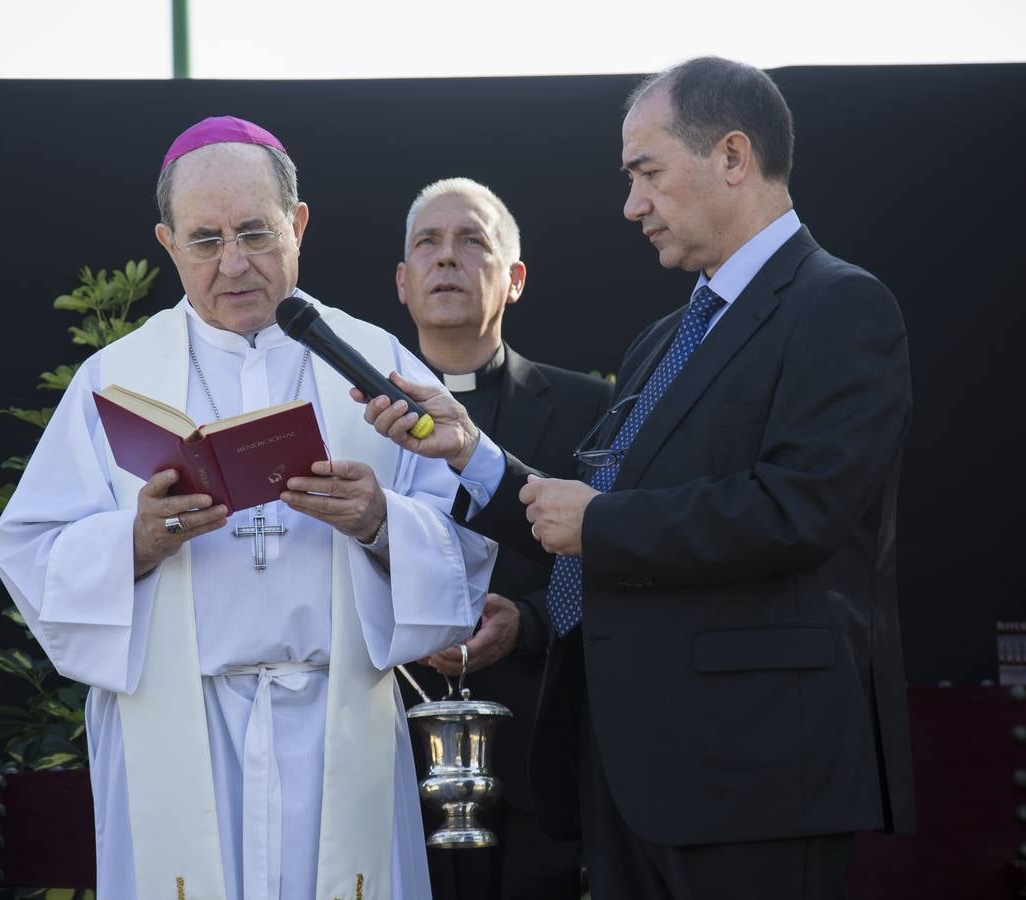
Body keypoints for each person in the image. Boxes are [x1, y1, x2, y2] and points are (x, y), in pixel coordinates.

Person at [360, 57, 915, 899]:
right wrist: (469, 448)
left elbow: (799, 509)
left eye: (647, 173)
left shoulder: (839, 305)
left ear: (732, 157)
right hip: (629, 778)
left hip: (754, 777)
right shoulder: (663, 340)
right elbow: (575, 513)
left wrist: (601, 524)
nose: (632, 205)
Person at [0, 115, 496, 900]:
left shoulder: (376, 363)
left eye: (255, 232)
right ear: (168, 243)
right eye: (206, 240)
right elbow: (29, 550)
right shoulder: (112, 380)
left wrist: (378, 522)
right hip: (181, 727)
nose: (233, 264)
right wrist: (137, 540)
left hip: (337, 731)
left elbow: (465, 552)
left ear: (297, 225)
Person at [392, 177, 610, 899]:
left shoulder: (589, 407)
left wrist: (531, 622)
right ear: (402, 281)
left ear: (514, 280)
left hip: (536, 762)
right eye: (427, 243)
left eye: (471, 241)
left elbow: (617, 556)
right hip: (384, 752)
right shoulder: (346, 415)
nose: (445, 259)